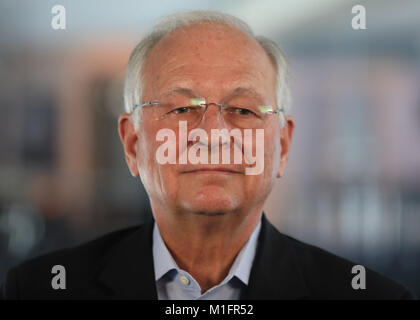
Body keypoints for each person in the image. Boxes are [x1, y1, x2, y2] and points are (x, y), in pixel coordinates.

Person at [1, 10, 414, 300]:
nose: (213, 135)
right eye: (181, 108)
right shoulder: (41, 289)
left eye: (244, 110)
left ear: (282, 147)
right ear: (132, 144)